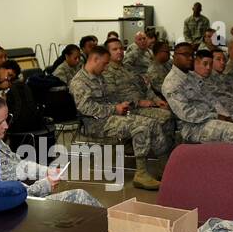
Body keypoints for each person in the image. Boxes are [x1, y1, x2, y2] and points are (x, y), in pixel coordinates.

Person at [0, 90, 97, 206]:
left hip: (17, 198)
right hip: (6, 212)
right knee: (80, 197)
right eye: (0, 122)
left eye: (6, 119)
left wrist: (46, 171)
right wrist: (45, 185)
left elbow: (18, 165)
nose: (6, 126)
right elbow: (2, 198)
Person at [69, 45, 166, 190]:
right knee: (142, 127)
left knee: (152, 123)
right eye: (105, 63)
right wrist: (114, 108)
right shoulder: (79, 82)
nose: (106, 67)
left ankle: (165, 166)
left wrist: (121, 104)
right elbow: (86, 108)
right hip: (95, 123)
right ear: (95, 59)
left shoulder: (99, 77)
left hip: (110, 116)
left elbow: (111, 97)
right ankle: (141, 174)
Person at [162, 45, 233, 155]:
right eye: (185, 54)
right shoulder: (171, 83)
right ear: (174, 56)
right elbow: (187, 114)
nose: (190, 58)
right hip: (193, 127)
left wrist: (224, 114)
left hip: (214, 118)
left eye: (192, 54)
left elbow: (212, 99)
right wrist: (217, 116)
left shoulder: (192, 76)